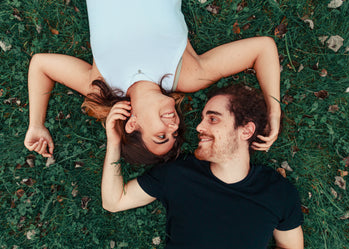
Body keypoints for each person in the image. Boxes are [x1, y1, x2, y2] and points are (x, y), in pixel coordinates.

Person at [24, 0, 281, 164]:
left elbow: (40, 65)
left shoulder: (100, 85)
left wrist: (36, 124)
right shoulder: (188, 74)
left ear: (132, 123)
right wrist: (274, 111)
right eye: (175, 133)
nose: (173, 125)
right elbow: (263, 48)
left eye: (161, 135)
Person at [101, 84, 304, 249]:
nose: (199, 127)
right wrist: (114, 140)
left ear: (246, 130)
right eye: (203, 119)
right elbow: (114, 201)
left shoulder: (277, 192)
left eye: (213, 119)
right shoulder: (178, 174)